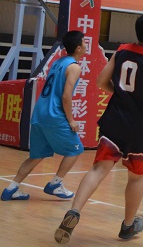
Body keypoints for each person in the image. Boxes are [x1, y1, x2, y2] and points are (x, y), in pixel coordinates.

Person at [54, 11, 143, 244]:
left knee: (98, 169)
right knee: (136, 178)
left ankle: (74, 211)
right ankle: (127, 226)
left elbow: (101, 82)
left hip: (114, 122)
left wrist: (120, 94)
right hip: (142, 129)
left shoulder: (121, 51)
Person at [2, 31, 87, 202]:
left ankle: (11, 188)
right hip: (54, 114)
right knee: (75, 149)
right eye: (84, 42)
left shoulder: (58, 62)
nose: (86, 45)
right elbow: (66, 96)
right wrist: (71, 120)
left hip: (39, 112)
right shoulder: (74, 67)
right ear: (78, 48)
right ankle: (56, 183)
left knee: (36, 156)